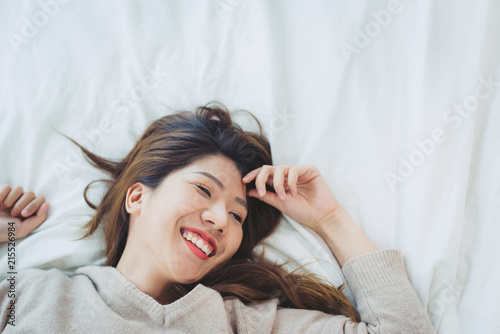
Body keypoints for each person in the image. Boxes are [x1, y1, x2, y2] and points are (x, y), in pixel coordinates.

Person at [0, 102, 435, 333]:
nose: (221, 220)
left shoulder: (239, 324)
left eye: (236, 215)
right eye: (204, 189)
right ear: (137, 197)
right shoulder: (32, 294)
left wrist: (330, 219)